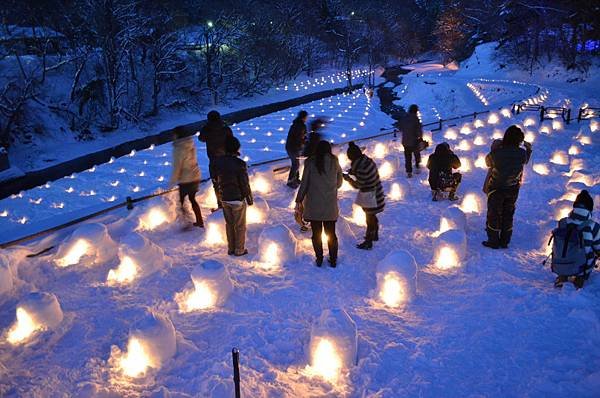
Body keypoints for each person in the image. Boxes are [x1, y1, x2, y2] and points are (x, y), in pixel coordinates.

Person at [482, 125, 532, 249]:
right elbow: (525, 160)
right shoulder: (521, 153)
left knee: (494, 213)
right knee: (508, 213)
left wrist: (493, 148)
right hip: (512, 188)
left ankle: (493, 240)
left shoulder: (497, 153)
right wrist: (528, 149)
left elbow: (488, 162)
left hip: (496, 188)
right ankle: (505, 240)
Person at [295, 140, 343, 267]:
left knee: (316, 234)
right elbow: (339, 182)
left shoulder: (310, 162)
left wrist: (299, 199)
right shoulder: (334, 161)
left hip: (313, 204)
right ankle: (333, 260)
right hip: (329, 204)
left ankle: (319, 259)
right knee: (331, 233)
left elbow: (304, 182)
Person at [212, 136, 253, 256]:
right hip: (237, 198)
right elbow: (244, 183)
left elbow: (215, 179)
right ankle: (239, 249)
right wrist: (249, 198)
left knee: (229, 224)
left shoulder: (218, 163)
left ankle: (231, 248)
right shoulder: (239, 164)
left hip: (225, 197)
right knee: (239, 225)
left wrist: (219, 195)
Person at [551, 190, 600, 289]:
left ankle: (563, 275)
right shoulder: (593, 226)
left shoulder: (563, 222)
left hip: (558, 265)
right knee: (591, 250)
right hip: (580, 267)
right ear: (590, 209)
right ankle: (580, 277)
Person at [343, 142, 385, 250]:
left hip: (370, 195)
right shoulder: (366, 161)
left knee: (369, 218)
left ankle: (368, 241)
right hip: (376, 191)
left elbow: (359, 185)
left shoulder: (361, 168)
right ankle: (375, 234)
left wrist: (348, 179)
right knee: (372, 216)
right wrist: (352, 171)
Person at [199, 110, 234, 208]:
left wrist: (206, 127)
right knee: (229, 180)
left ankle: (221, 204)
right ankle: (231, 201)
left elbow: (201, 138)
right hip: (227, 159)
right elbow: (232, 140)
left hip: (214, 161)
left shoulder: (206, 130)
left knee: (217, 183)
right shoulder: (225, 128)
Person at [170, 127, 203, 228]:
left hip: (185, 179)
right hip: (195, 175)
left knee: (181, 202)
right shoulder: (190, 144)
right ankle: (199, 221)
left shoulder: (178, 148)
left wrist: (172, 181)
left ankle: (186, 222)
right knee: (192, 199)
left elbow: (177, 166)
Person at [285, 110, 308, 188]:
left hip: (290, 147)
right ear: (303, 117)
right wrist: (303, 145)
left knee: (296, 163)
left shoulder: (296, 124)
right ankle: (290, 181)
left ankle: (296, 179)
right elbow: (299, 138)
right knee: (296, 164)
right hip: (293, 148)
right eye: (306, 117)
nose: (307, 118)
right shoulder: (300, 126)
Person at [400, 104, 423, 178]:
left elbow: (401, 127)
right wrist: (420, 137)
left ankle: (409, 172)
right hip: (414, 141)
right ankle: (417, 166)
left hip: (405, 141)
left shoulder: (404, 117)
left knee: (408, 157)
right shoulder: (415, 119)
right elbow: (419, 130)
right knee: (416, 154)